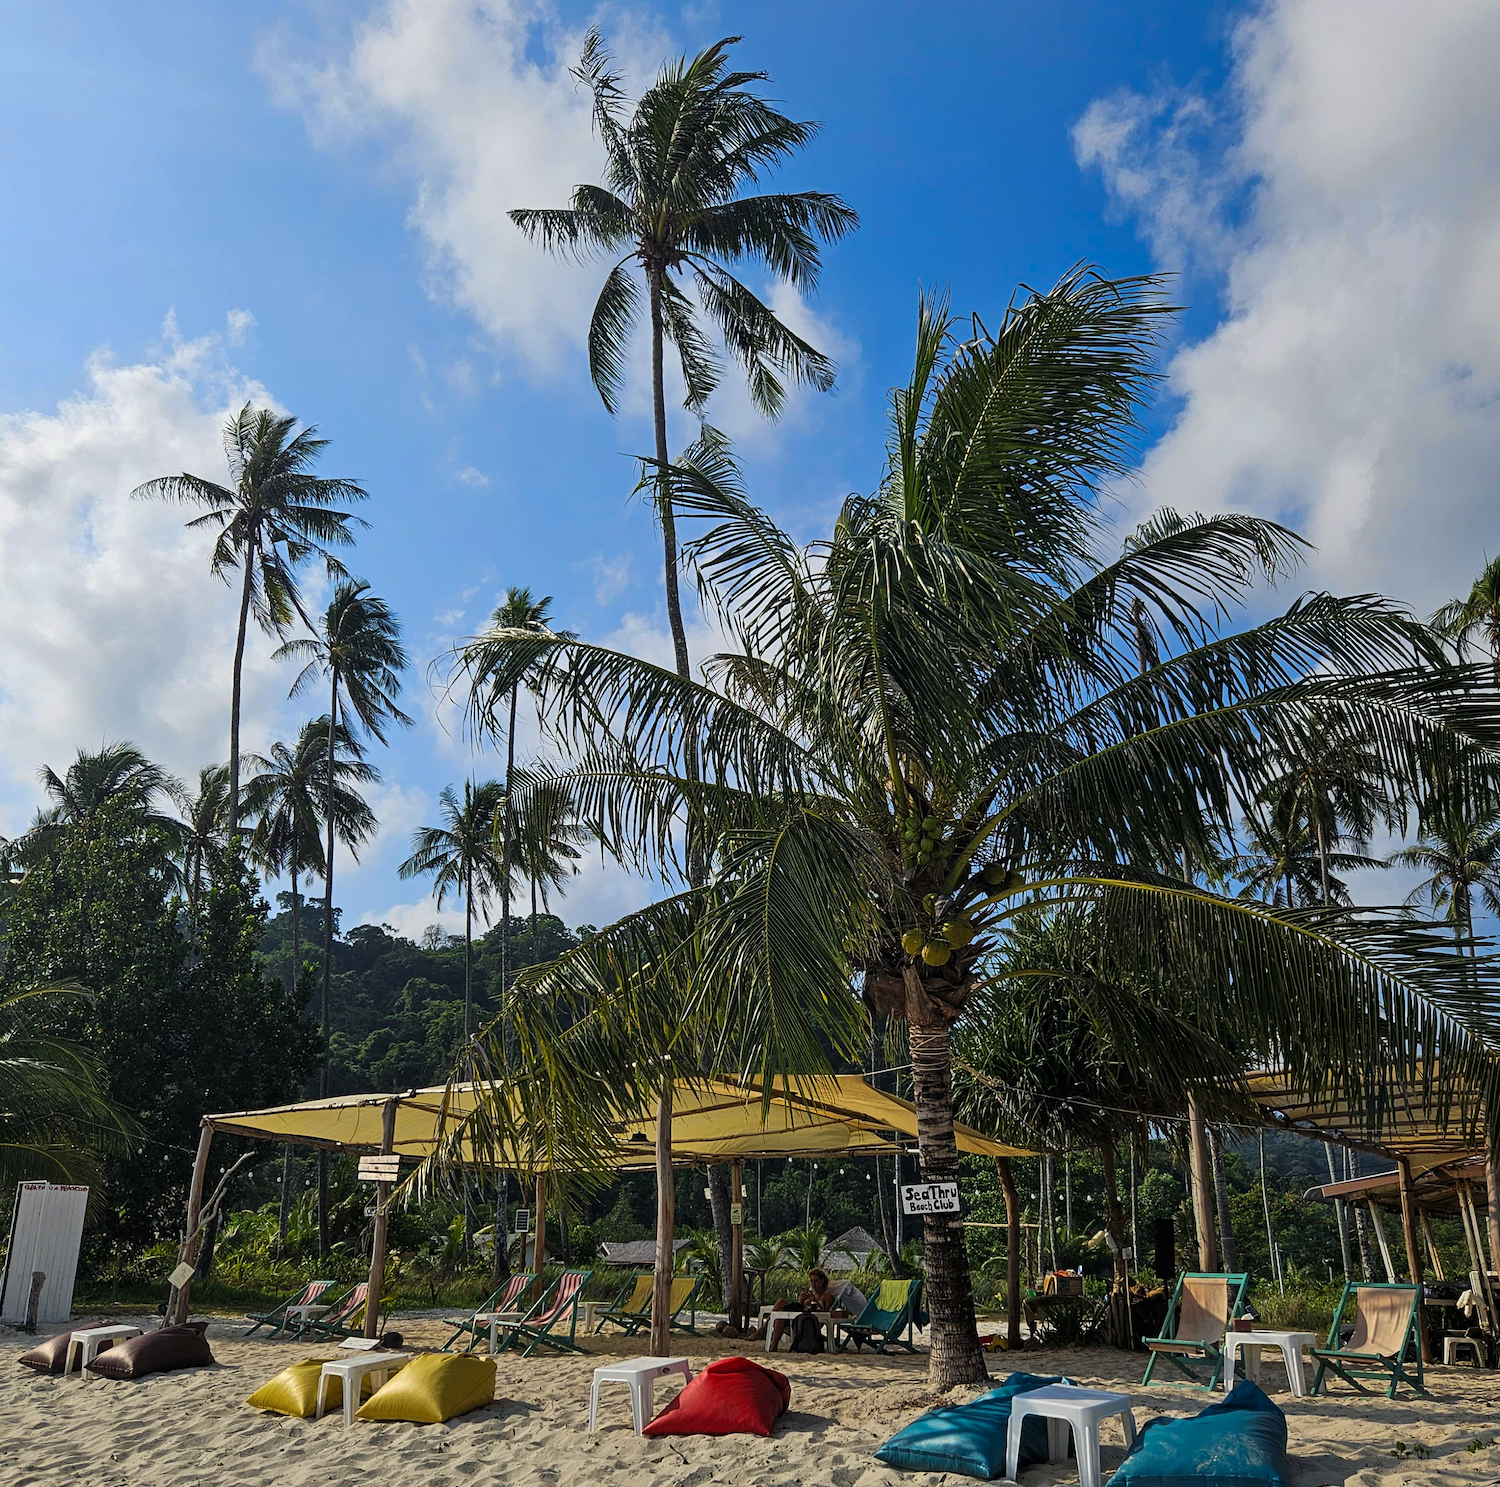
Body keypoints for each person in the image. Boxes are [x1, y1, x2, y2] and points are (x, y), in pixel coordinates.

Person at [746, 1267, 868, 1351]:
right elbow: (802, 1305)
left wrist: (814, 1300)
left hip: (809, 1319)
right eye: (811, 1281)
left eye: (816, 1281)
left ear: (822, 1281)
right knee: (780, 1303)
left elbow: (825, 1313)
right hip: (800, 1313)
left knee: (781, 1312)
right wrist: (802, 1299)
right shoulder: (810, 1292)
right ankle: (765, 1334)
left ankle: (768, 1340)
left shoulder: (827, 1296)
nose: (813, 1284)